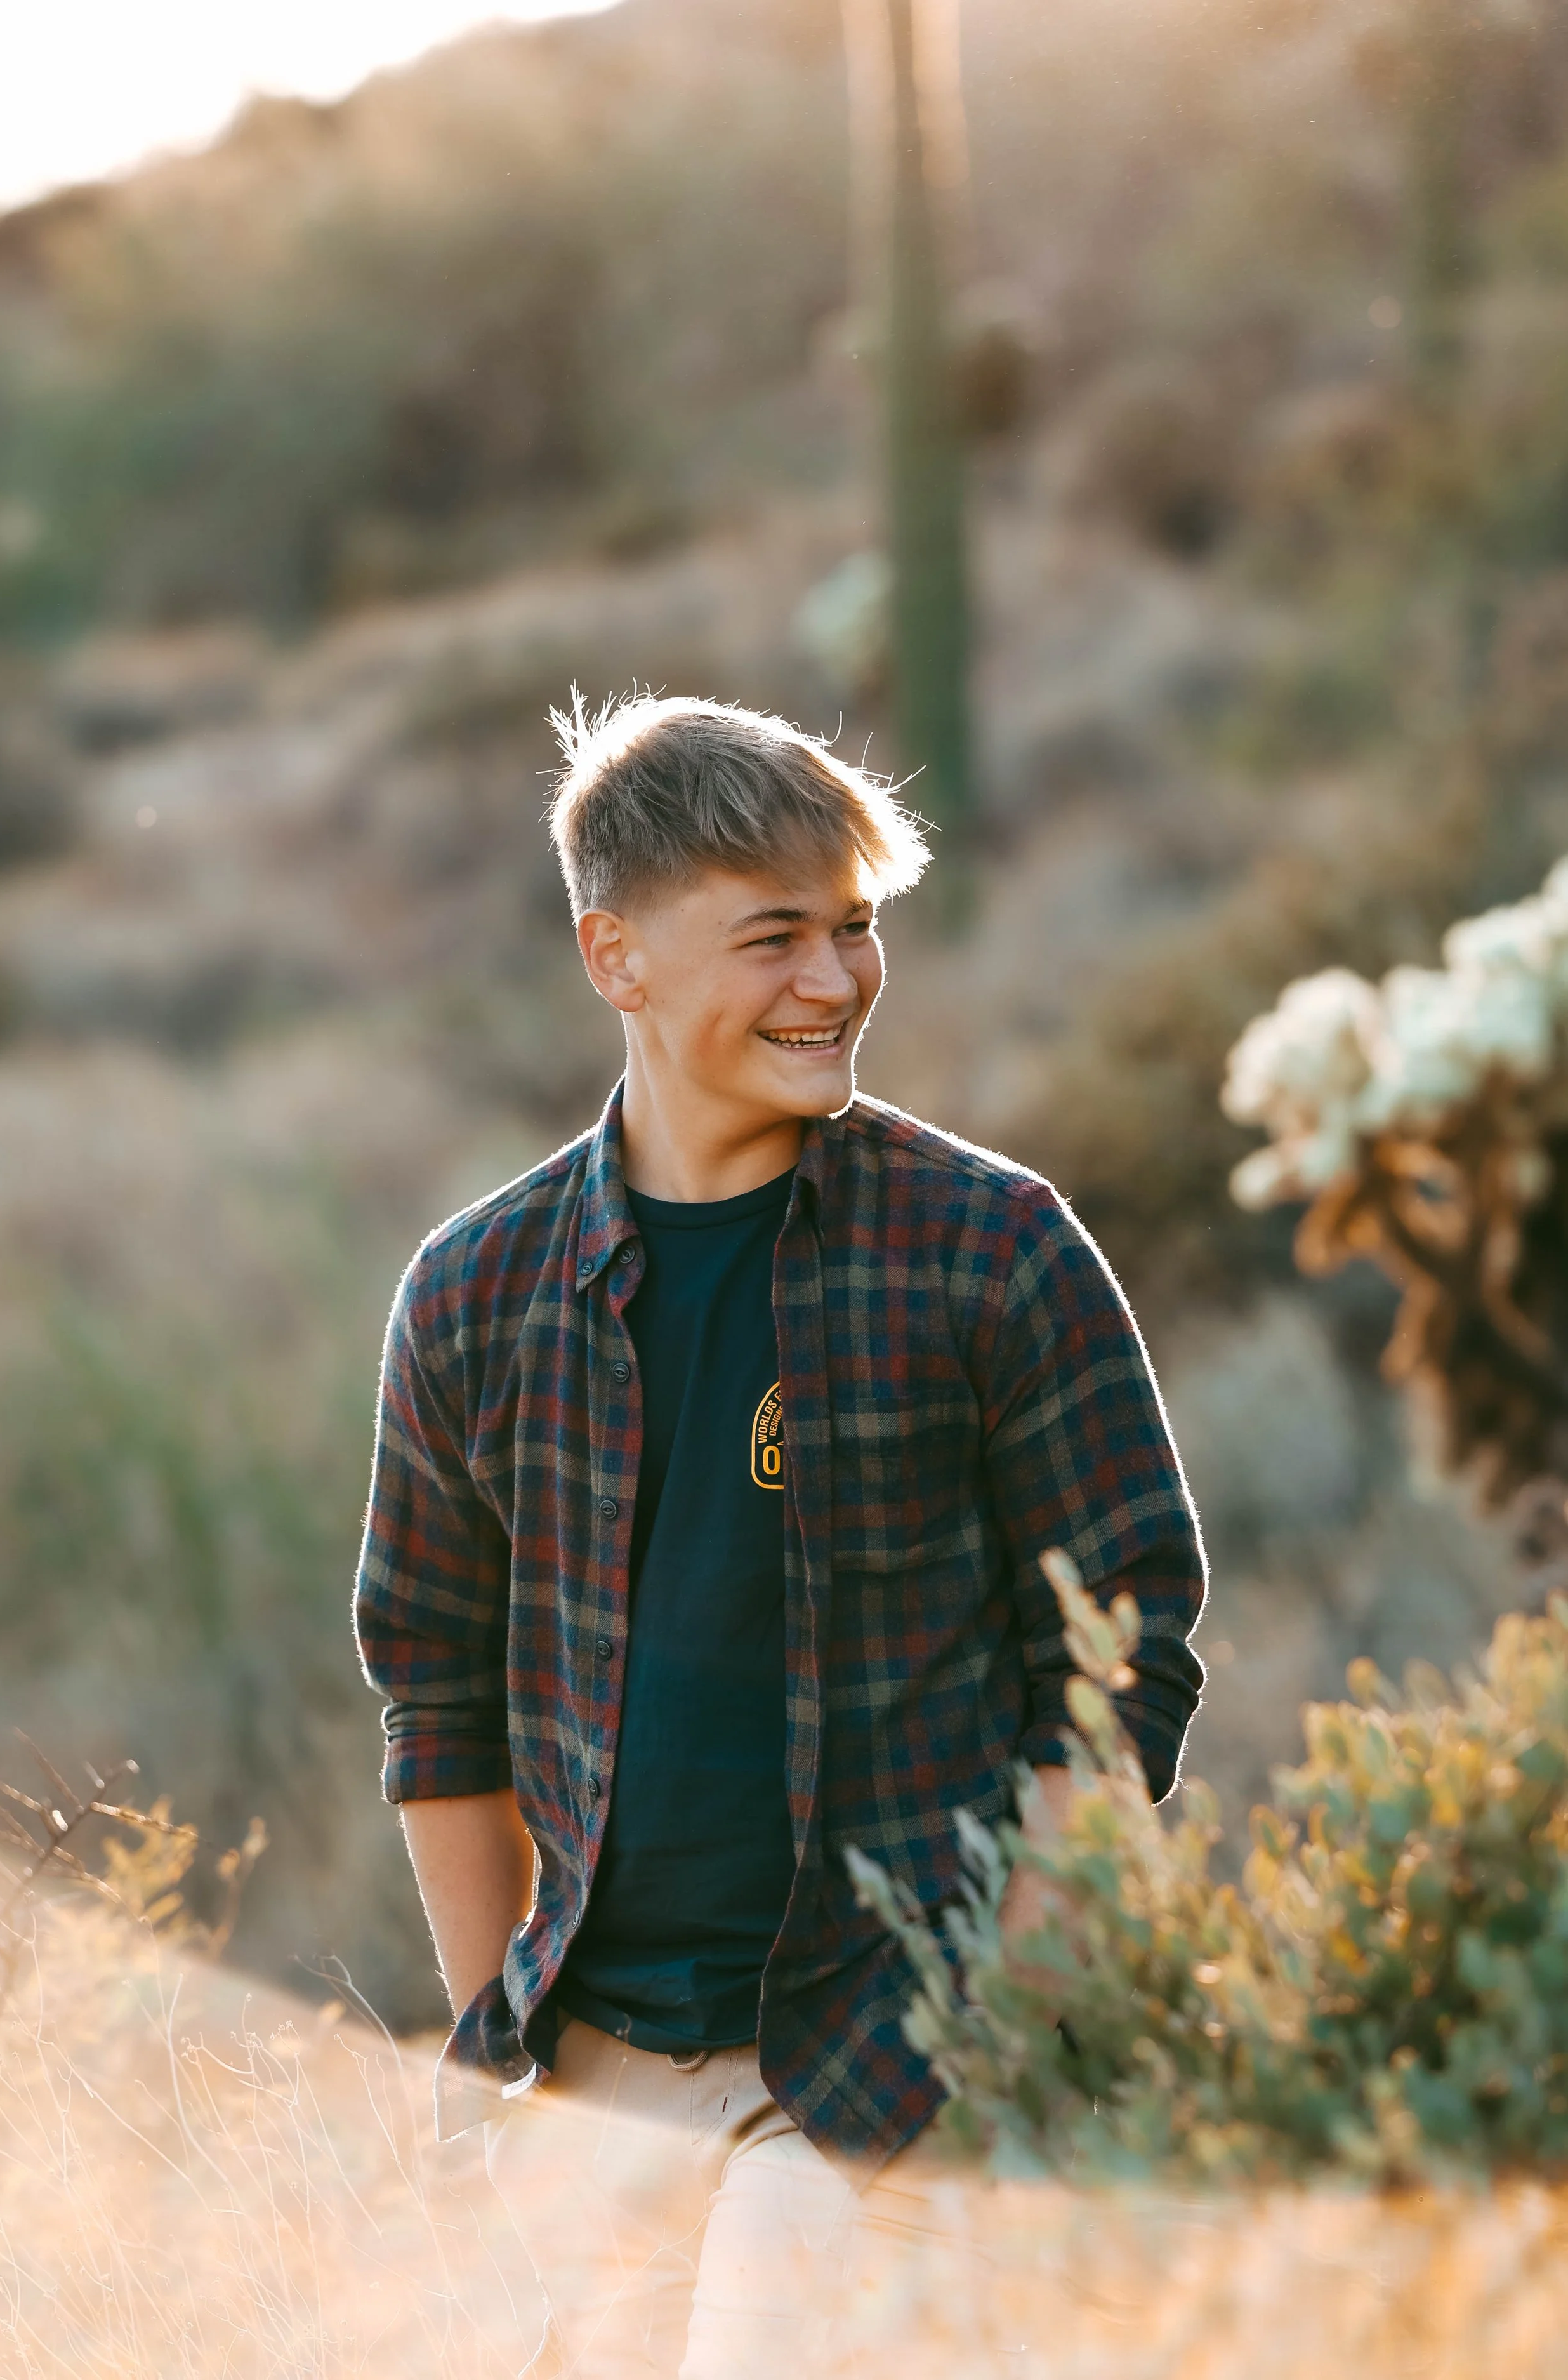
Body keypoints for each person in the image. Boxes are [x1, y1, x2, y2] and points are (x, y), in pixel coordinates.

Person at [353, 694, 1207, 2376]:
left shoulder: (991, 1250)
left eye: (854, 927)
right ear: (617, 957)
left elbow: (1118, 1661)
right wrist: (493, 2057)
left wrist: (1007, 2013)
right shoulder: (472, 1297)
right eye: (773, 937)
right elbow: (436, 1694)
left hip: (890, 2053)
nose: (833, 981)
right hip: (605, 2060)